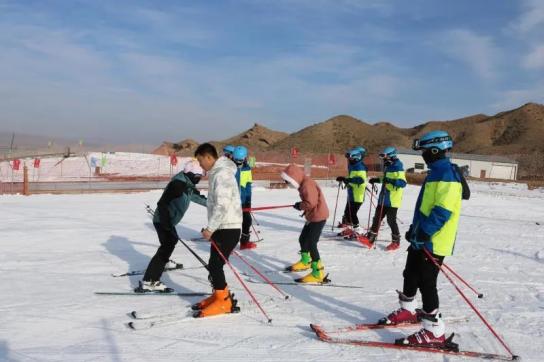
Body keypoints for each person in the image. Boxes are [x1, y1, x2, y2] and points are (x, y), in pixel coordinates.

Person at [379, 130, 468, 348]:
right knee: (410, 273)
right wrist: (414, 229)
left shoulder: (446, 173)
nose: (423, 155)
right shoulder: (436, 171)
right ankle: (408, 310)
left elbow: (442, 211)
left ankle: (434, 331)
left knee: (427, 283)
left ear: (435, 150)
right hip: (422, 236)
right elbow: (425, 207)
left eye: (425, 151)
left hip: (435, 240)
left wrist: (424, 232)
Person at [135, 160, 207, 293]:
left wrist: (215, 206)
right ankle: (149, 281)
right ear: (191, 174)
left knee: (170, 242)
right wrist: (166, 222)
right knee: (167, 245)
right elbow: (162, 204)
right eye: (198, 176)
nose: (200, 178)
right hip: (163, 220)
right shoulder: (178, 185)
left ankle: (164, 262)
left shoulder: (187, 184)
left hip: (168, 220)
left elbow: (197, 198)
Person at [193, 143, 243, 317]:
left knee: (215, 265)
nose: (200, 165)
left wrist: (210, 228)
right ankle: (219, 295)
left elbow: (222, 205)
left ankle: (224, 302)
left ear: (208, 157)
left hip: (228, 227)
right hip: (223, 226)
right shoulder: (218, 173)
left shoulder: (222, 174)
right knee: (215, 264)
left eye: (200, 161)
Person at [282, 164, 329, 283]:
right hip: (312, 216)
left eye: (288, 181)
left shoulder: (307, 185)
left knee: (311, 243)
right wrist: (301, 205)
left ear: (294, 177)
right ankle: (305, 262)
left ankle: (318, 272)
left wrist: (300, 206)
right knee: (303, 239)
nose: (288, 184)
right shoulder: (304, 184)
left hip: (318, 216)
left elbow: (311, 203)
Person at [361, 146, 407, 250]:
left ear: (391, 156)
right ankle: (370, 239)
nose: (383, 160)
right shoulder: (388, 166)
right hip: (383, 198)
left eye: (385, 158)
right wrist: (377, 180)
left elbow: (403, 183)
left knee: (391, 220)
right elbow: (385, 179)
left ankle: (396, 242)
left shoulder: (398, 167)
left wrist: (390, 181)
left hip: (392, 200)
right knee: (377, 218)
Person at [336, 147, 368, 239]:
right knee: (348, 213)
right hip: (352, 194)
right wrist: (344, 179)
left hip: (358, 195)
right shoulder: (353, 166)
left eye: (350, 158)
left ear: (356, 157)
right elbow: (352, 179)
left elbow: (360, 180)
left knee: (353, 213)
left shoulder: (359, 166)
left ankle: (359, 231)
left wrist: (348, 179)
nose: (349, 160)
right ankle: (349, 229)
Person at [232, 146, 257, 250]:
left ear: (245, 158)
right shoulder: (229, 168)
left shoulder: (247, 167)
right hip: (232, 201)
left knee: (247, 221)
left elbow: (247, 185)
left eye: (240, 160)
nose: (238, 162)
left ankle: (244, 243)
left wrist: (248, 200)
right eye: (236, 160)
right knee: (232, 224)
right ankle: (228, 245)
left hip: (245, 200)